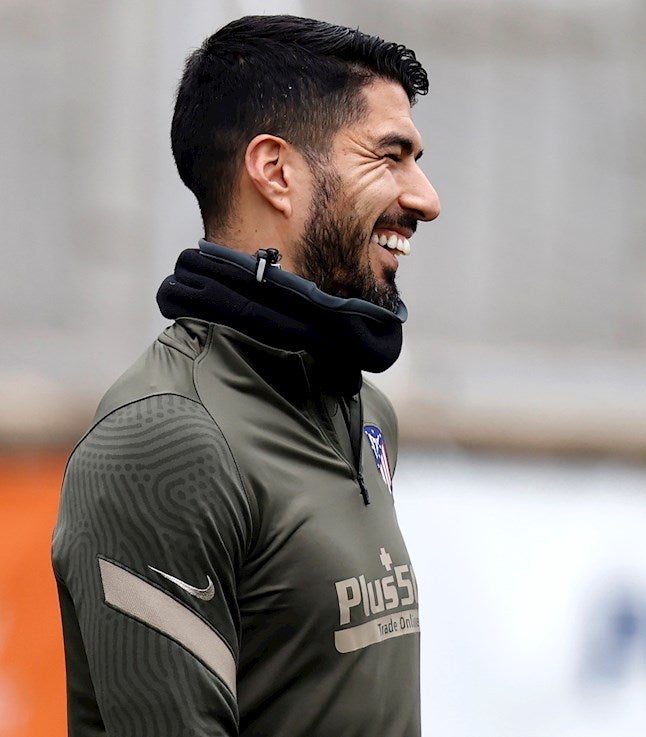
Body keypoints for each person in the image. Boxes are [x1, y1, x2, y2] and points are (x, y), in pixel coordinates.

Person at [51, 15, 439, 736]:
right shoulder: (164, 439)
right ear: (276, 171)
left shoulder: (364, 410)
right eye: (390, 157)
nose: (426, 198)